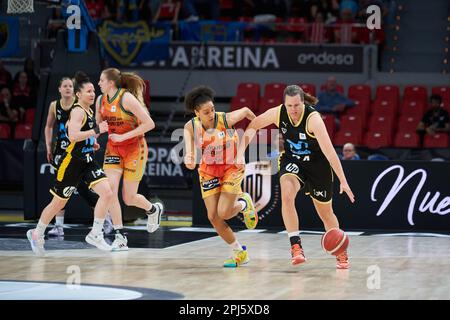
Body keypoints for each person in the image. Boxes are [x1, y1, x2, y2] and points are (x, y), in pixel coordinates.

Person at [239, 85, 355, 269]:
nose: (293, 109)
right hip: (293, 161)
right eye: (289, 105)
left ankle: (340, 250)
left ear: (303, 102)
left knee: (326, 214)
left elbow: (331, 153)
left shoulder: (313, 119)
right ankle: (296, 246)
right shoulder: (278, 113)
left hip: (318, 166)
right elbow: (254, 125)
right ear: (284, 104)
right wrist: (239, 153)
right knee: (286, 195)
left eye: (297, 105)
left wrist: (343, 180)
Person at [27, 72, 113, 255]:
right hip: (72, 163)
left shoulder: (89, 110)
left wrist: (92, 142)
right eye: (88, 91)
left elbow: (80, 136)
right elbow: (72, 136)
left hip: (88, 160)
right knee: (58, 203)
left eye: (93, 91)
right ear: (79, 95)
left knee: (107, 192)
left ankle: (95, 234)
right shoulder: (77, 111)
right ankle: (37, 233)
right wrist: (97, 130)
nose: (92, 94)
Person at [183, 85, 258, 267]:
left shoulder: (226, 119)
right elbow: (190, 155)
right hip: (208, 170)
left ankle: (243, 203)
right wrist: (189, 158)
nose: (211, 114)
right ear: (197, 112)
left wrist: (242, 152)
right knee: (213, 217)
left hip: (231, 167)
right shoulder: (190, 126)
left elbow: (248, 113)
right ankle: (239, 252)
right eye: (206, 112)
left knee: (224, 212)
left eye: (213, 109)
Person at [97, 68, 163, 250]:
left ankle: (153, 209)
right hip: (113, 149)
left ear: (111, 83)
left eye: (101, 80)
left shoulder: (126, 98)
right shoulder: (100, 100)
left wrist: (123, 137)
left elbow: (150, 124)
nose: (98, 83)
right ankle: (120, 236)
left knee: (129, 198)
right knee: (109, 192)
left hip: (135, 148)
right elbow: (99, 124)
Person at [44, 77, 113, 237]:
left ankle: (103, 223)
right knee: (60, 196)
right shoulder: (56, 106)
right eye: (65, 86)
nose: (67, 88)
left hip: (79, 152)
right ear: (60, 89)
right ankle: (54, 227)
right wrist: (48, 146)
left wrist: (91, 141)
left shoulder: (82, 108)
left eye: (70, 85)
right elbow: (51, 127)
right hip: (64, 153)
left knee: (89, 191)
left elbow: (79, 132)